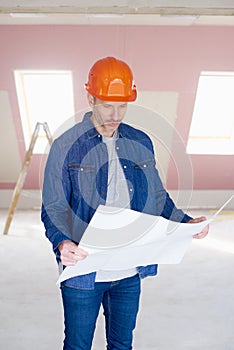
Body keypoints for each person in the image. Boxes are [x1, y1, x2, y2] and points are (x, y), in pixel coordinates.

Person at [41, 56, 209, 350]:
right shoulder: (66, 145)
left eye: (122, 105)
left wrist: (185, 221)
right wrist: (61, 243)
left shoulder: (140, 141)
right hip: (84, 271)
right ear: (90, 96)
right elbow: (53, 206)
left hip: (129, 269)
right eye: (107, 104)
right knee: (78, 345)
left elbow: (157, 197)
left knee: (122, 344)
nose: (115, 113)